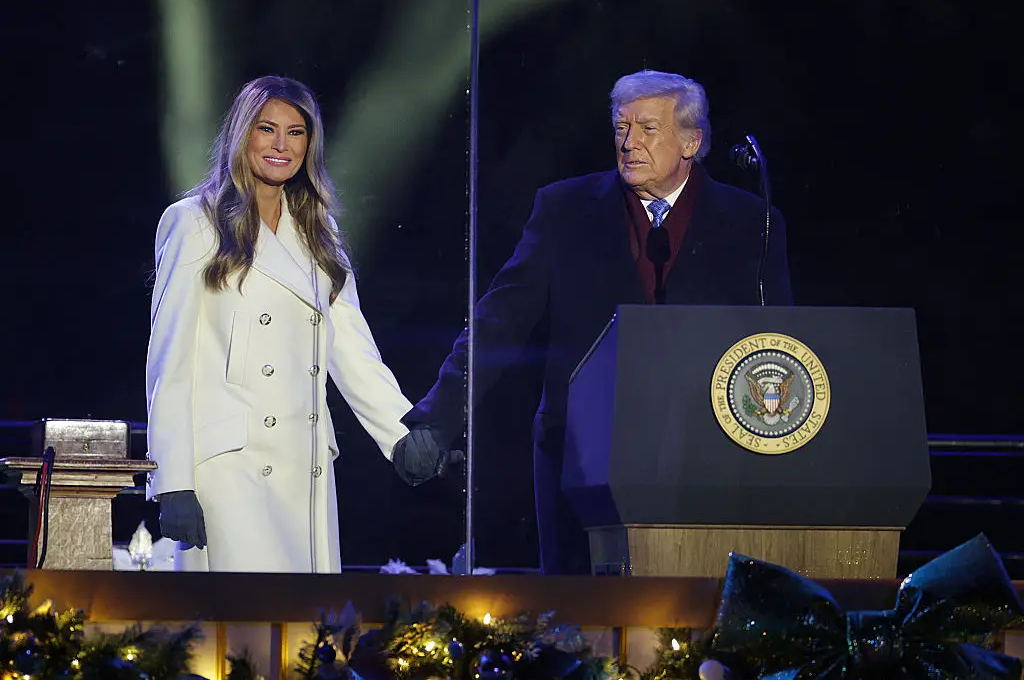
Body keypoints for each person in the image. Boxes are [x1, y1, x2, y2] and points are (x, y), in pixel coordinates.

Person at [393, 69, 794, 575]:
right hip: (581, 457)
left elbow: (779, 347)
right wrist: (439, 417)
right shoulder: (564, 210)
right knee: (582, 613)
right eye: (621, 127)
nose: (628, 143)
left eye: (648, 129)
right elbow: (499, 319)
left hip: (707, 460)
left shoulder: (752, 223)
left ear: (691, 142)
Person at [145, 75, 447, 573]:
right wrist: (173, 482)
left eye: (296, 132)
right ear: (242, 134)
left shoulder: (317, 230)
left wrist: (402, 435)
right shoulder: (194, 221)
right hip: (229, 468)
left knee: (302, 618)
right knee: (244, 615)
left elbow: (351, 347)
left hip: (302, 465)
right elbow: (169, 361)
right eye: (267, 129)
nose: (281, 145)